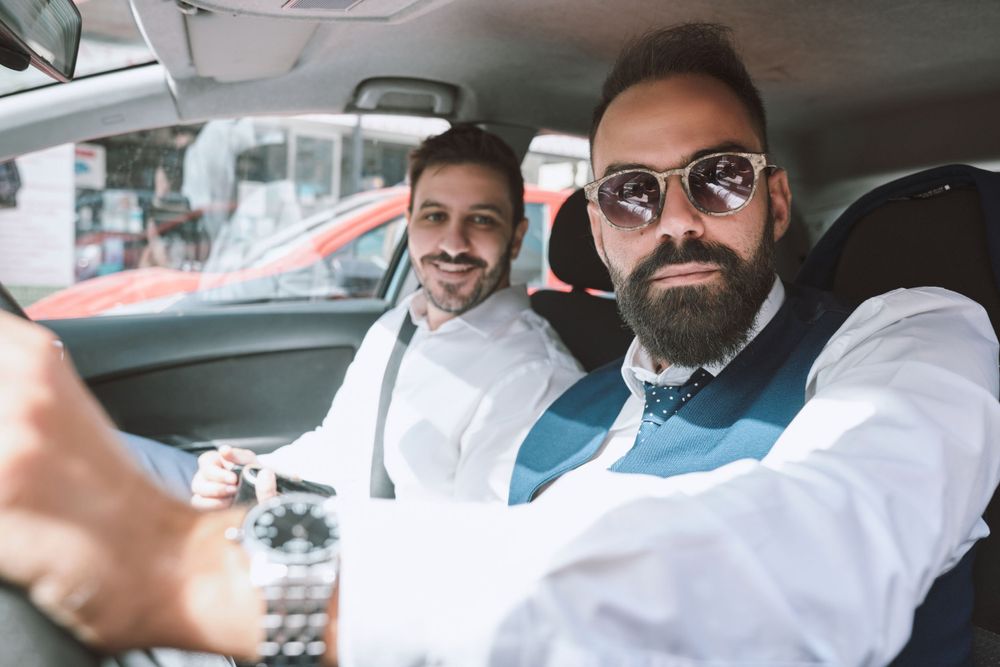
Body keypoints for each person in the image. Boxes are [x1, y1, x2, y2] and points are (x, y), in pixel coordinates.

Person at [0, 22, 999, 667]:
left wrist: (212, 574)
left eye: (720, 177)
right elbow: (471, 564)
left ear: (775, 201)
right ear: (596, 228)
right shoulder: (563, 420)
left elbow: (802, 562)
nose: (677, 220)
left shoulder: (910, 339)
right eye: (632, 193)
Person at [188, 124, 582, 506]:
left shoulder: (534, 377)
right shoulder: (399, 324)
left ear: (515, 238)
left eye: (481, 220)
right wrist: (253, 472)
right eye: (434, 216)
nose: (453, 244)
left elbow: (474, 540)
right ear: (409, 224)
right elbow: (339, 445)